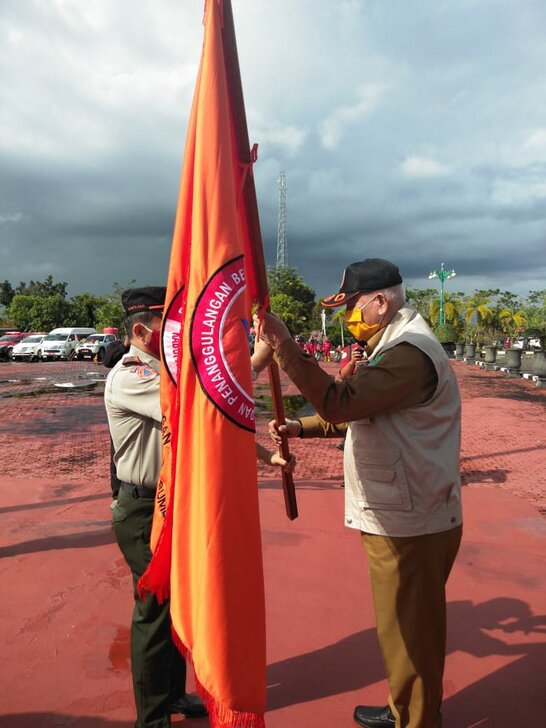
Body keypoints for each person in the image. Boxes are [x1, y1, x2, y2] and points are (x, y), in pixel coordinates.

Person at [254, 258, 463, 728]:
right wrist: (299, 426)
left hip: (411, 518)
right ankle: (405, 708)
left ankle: (416, 720)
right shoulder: (393, 345)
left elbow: (340, 402)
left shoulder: (410, 352)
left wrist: (285, 346)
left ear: (382, 302)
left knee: (411, 632)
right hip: (404, 509)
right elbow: (359, 412)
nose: (349, 316)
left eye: (353, 306)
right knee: (402, 629)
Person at [105, 288, 294, 728]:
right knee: (153, 612)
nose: (177, 333)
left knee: (176, 604)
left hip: (173, 504)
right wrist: (261, 353)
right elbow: (203, 409)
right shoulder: (132, 375)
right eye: (166, 325)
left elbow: (215, 430)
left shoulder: (166, 370)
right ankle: (150, 718)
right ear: (140, 331)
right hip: (143, 510)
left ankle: (172, 695)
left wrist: (269, 457)